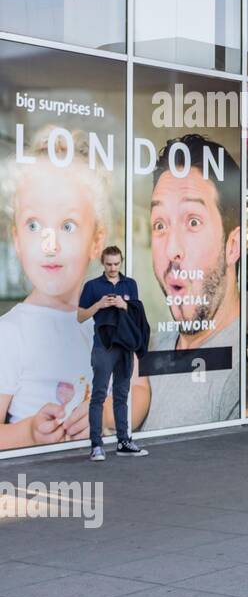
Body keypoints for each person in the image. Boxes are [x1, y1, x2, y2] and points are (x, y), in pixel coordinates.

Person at [0, 126, 149, 454]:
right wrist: (29, 434)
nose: (50, 245)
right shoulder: (10, 334)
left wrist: (108, 414)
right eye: (34, 226)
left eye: (67, 226)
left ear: (97, 240)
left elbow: (138, 389)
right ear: (16, 239)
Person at [141, 134, 242, 429]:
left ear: (232, 245)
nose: (173, 249)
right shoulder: (148, 346)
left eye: (193, 222)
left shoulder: (239, 375)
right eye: (160, 224)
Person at [76, 247, 149, 459]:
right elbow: (80, 317)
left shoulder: (130, 284)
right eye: (108, 264)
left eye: (116, 264)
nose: (112, 268)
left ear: (121, 262)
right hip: (103, 347)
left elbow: (137, 315)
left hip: (125, 347)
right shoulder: (93, 286)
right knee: (98, 395)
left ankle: (124, 441)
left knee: (121, 395)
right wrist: (99, 305)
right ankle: (96, 446)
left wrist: (124, 305)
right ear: (103, 262)